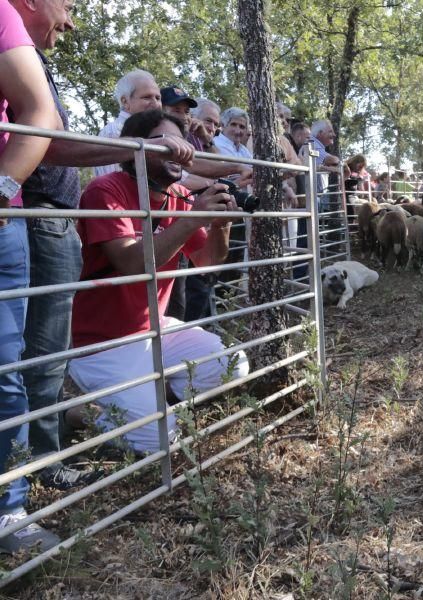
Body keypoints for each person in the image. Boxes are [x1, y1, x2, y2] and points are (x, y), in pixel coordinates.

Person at [9, 0, 199, 493]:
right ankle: (40, 463)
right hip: (40, 216)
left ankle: (46, 448)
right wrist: (141, 151)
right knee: (38, 353)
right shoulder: (109, 188)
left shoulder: (30, 57)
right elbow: (49, 143)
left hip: (48, 218)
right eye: (66, 5)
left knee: (37, 352)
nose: (70, 20)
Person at [68, 110, 250, 454]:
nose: (178, 152)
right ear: (135, 148)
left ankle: (150, 402)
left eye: (182, 145)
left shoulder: (180, 195)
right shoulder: (105, 190)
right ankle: (79, 414)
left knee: (233, 364)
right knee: (159, 440)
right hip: (101, 343)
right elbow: (132, 263)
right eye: (166, 144)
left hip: (154, 328)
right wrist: (192, 218)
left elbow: (208, 261)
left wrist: (221, 222)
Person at [0, 0, 62, 553]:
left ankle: (7, 509)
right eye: (67, 4)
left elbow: (40, 115)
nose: (69, 20)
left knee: (5, 367)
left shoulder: (0, 17)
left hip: (2, 220)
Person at [94, 69, 161, 176]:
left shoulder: (157, 130)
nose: (155, 104)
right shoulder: (114, 133)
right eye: (147, 97)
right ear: (125, 101)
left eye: (158, 98)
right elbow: (114, 182)